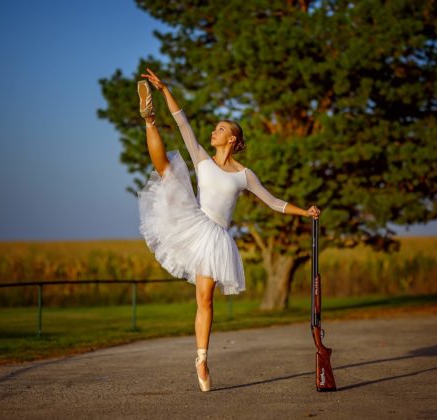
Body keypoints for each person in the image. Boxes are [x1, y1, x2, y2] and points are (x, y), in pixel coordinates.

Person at [136, 68, 321, 392]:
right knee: (166, 168)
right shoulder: (202, 158)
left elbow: (273, 202)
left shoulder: (244, 175)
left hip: (215, 235)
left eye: (220, 129)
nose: (213, 131)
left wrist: (304, 211)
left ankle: (201, 358)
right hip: (192, 218)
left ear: (232, 139)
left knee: (205, 300)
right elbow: (182, 122)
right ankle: (149, 121)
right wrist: (164, 89)